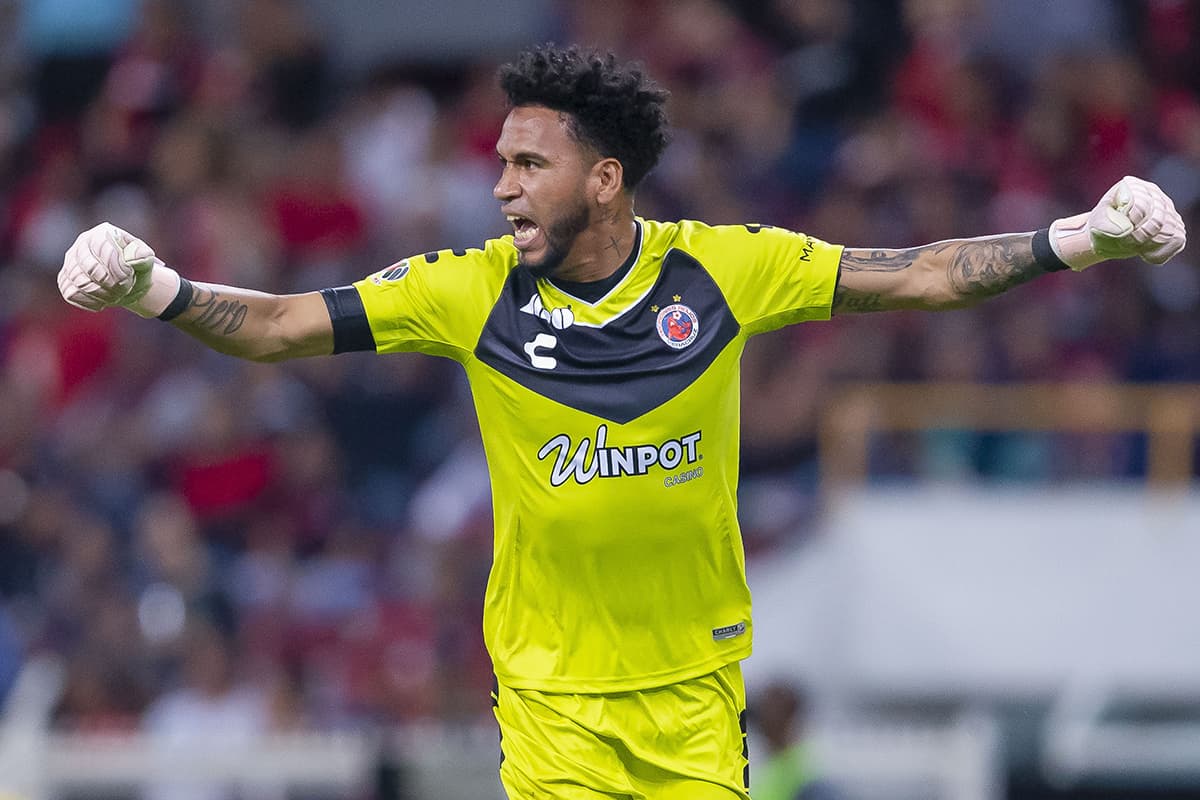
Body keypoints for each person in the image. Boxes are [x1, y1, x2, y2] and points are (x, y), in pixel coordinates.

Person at [58, 44, 1185, 800]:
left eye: (527, 164)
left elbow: (926, 275)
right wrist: (156, 287)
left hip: (694, 698)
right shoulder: (469, 288)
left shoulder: (727, 269)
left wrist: (1079, 236)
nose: (500, 187)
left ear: (604, 179)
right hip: (550, 700)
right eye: (499, 162)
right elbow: (283, 325)